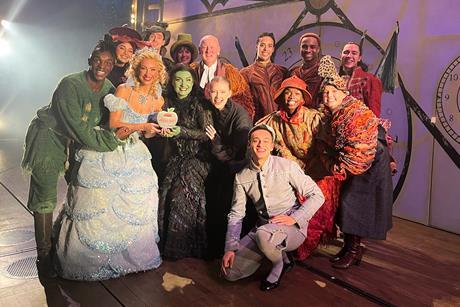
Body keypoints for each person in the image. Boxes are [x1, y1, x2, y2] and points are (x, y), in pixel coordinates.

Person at [54, 47, 166, 280]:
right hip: (110, 146)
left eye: (152, 70)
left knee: (138, 194)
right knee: (97, 200)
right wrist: (142, 126)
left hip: (134, 150)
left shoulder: (159, 98)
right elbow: (116, 124)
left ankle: (132, 258)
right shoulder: (123, 90)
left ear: (159, 73)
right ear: (136, 69)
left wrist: (158, 130)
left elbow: (147, 134)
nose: (147, 74)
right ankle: (87, 260)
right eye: (143, 69)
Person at [21, 38, 124, 277]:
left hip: (75, 143)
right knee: (45, 196)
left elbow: (111, 118)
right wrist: (110, 141)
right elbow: (77, 127)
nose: (102, 65)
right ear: (89, 61)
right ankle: (43, 257)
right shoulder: (70, 84)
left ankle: (66, 243)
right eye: (98, 60)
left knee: (78, 189)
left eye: (108, 62)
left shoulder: (109, 87)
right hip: (50, 136)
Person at [221, 124, 324, 291]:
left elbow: (317, 195)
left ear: (271, 145)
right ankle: (282, 255)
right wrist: (230, 247)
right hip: (263, 229)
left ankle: (279, 265)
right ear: (249, 144)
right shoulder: (241, 176)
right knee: (230, 272)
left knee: (263, 235)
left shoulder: (287, 166)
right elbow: (236, 214)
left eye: (265, 141)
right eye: (256, 141)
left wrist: (295, 218)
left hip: (292, 229)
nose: (260, 145)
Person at [318, 55, 393, 269]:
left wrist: (332, 166)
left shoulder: (354, 114)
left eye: (334, 92)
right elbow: (325, 141)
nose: (329, 95)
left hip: (368, 162)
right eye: (325, 92)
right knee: (349, 202)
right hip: (353, 159)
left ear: (344, 93)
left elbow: (354, 158)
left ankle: (353, 249)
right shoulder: (330, 113)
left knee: (354, 202)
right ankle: (351, 247)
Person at [257, 75, 341, 260]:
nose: (291, 97)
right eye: (287, 93)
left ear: (303, 98)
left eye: (296, 93)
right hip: (291, 171)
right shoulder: (273, 120)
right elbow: (257, 135)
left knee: (316, 199)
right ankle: (285, 241)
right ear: (281, 97)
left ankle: (304, 247)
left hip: (317, 170)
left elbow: (327, 147)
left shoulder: (314, 118)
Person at [158, 64, 213, 259]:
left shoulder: (199, 104)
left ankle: (183, 246)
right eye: (179, 80)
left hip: (197, 158)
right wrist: (161, 132)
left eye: (188, 80)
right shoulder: (165, 103)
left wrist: (182, 132)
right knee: (165, 191)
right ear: (172, 82)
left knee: (180, 193)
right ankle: (165, 243)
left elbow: (207, 135)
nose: (184, 84)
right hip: (174, 157)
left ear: (194, 82)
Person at [204, 76, 252, 257]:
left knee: (223, 202)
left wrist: (216, 143)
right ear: (208, 92)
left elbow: (236, 153)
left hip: (234, 166)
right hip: (213, 162)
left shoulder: (240, 116)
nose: (218, 96)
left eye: (222, 92)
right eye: (214, 91)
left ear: (230, 93)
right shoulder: (207, 108)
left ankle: (224, 248)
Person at [191, 35, 254, 119]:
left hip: (225, 122)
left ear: (218, 51)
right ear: (199, 50)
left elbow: (246, 102)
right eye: (204, 47)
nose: (208, 51)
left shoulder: (231, 73)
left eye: (212, 47)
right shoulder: (190, 71)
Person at [240, 32, 288, 122]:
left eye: (269, 46)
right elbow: (243, 103)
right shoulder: (245, 73)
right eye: (262, 45)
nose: (265, 49)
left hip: (281, 122)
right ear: (256, 47)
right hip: (258, 123)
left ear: (273, 49)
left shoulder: (282, 72)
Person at [339, 42, 383, 117]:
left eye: (354, 53)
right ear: (340, 56)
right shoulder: (336, 80)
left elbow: (374, 114)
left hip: (360, 125)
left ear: (359, 58)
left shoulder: (370, 79)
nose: (349, 55)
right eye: (346, 52)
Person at [289, 32, 323, 108]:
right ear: (300, 48)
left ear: (318, 49)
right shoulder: (293, 72)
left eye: (312, 47)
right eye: (304, 46)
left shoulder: (324, 72)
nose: (308, 50)